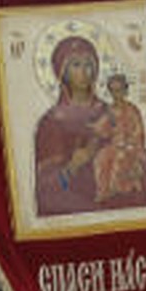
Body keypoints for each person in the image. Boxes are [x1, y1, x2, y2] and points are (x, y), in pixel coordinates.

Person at [34, 36, 114, 218]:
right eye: (76, 65)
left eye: (88, 64)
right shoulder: (52, 122)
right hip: (75, 204)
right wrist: (72, 166)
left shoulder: (109, 113)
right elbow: (44, 188)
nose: (84, 71)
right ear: (62, 71)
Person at [91, 72, 146, 206]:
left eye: (120, 90)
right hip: (115, 144)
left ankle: (118, 190)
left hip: (131, 145)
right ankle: (103, 191)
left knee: (120, 158)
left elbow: (138, 130)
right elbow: (103, 128)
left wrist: (131, 143)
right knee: (101, 158)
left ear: (125, 91)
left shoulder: (132, 109)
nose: (117, 94)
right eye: (113, 91)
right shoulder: (109, 110)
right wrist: (96, 128)